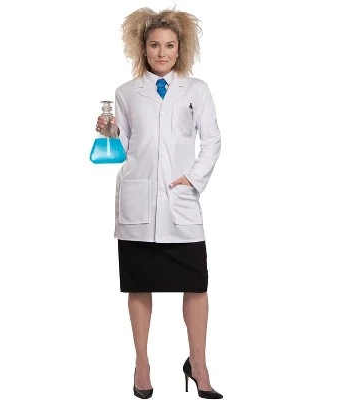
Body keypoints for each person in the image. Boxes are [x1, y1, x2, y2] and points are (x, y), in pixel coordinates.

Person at [96, 7, 222, 399]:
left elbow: (212, 141)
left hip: (181, 202)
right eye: (154, 45)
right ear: (143, 48)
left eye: (169, 45)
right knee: (139, 285)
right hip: (139, 202)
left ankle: (198, 364)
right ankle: (142, 364)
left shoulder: (196, 90)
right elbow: (123, 148)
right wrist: (110, 132)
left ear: (180, 48)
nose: (162, 52)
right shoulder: (126, 92)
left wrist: (193, 179)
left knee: (196, 286)